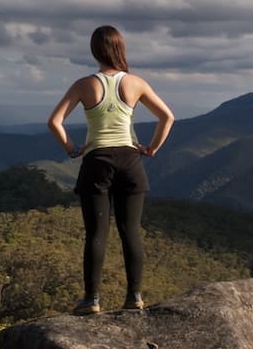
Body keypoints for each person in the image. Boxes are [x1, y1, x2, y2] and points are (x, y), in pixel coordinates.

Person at [47, 25, 174, 315]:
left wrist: (71, 148)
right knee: (131, 232)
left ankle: (92, 300)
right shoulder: (135, 83)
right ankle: (135, 297)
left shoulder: (83, 85)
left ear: (95, 50)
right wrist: (152, 148)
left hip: (97, 162)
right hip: (130, 162)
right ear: (120, 49)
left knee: (96, 235)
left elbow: (54, 121)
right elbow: (167, 117)